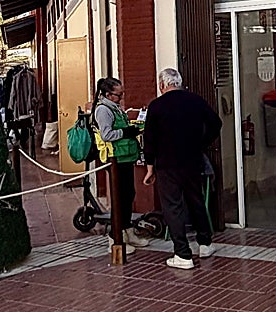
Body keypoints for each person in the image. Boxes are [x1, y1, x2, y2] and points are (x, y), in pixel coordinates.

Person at [142, 67, 223, 270]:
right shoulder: (195, 100)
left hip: (166, 164)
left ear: (162, 85)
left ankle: (182, 254)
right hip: (192, 160)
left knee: (173, 207)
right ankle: (205, 244)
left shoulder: (156, 106)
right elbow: (216, 123)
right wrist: (201, 142)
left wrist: (149, 167)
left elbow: (149, 139)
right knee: (196, 201)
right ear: (179, 82)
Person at [91, 77, 147, 249]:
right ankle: (115, 237)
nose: (121, 97)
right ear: (108, 94)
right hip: (115, 159)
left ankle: (128, 231)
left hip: (126, 157)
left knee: (128, 194)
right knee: (119, 198)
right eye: (118, 94)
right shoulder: (103, 110)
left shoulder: (115, 108)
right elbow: (107, 134)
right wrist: (126, 132)